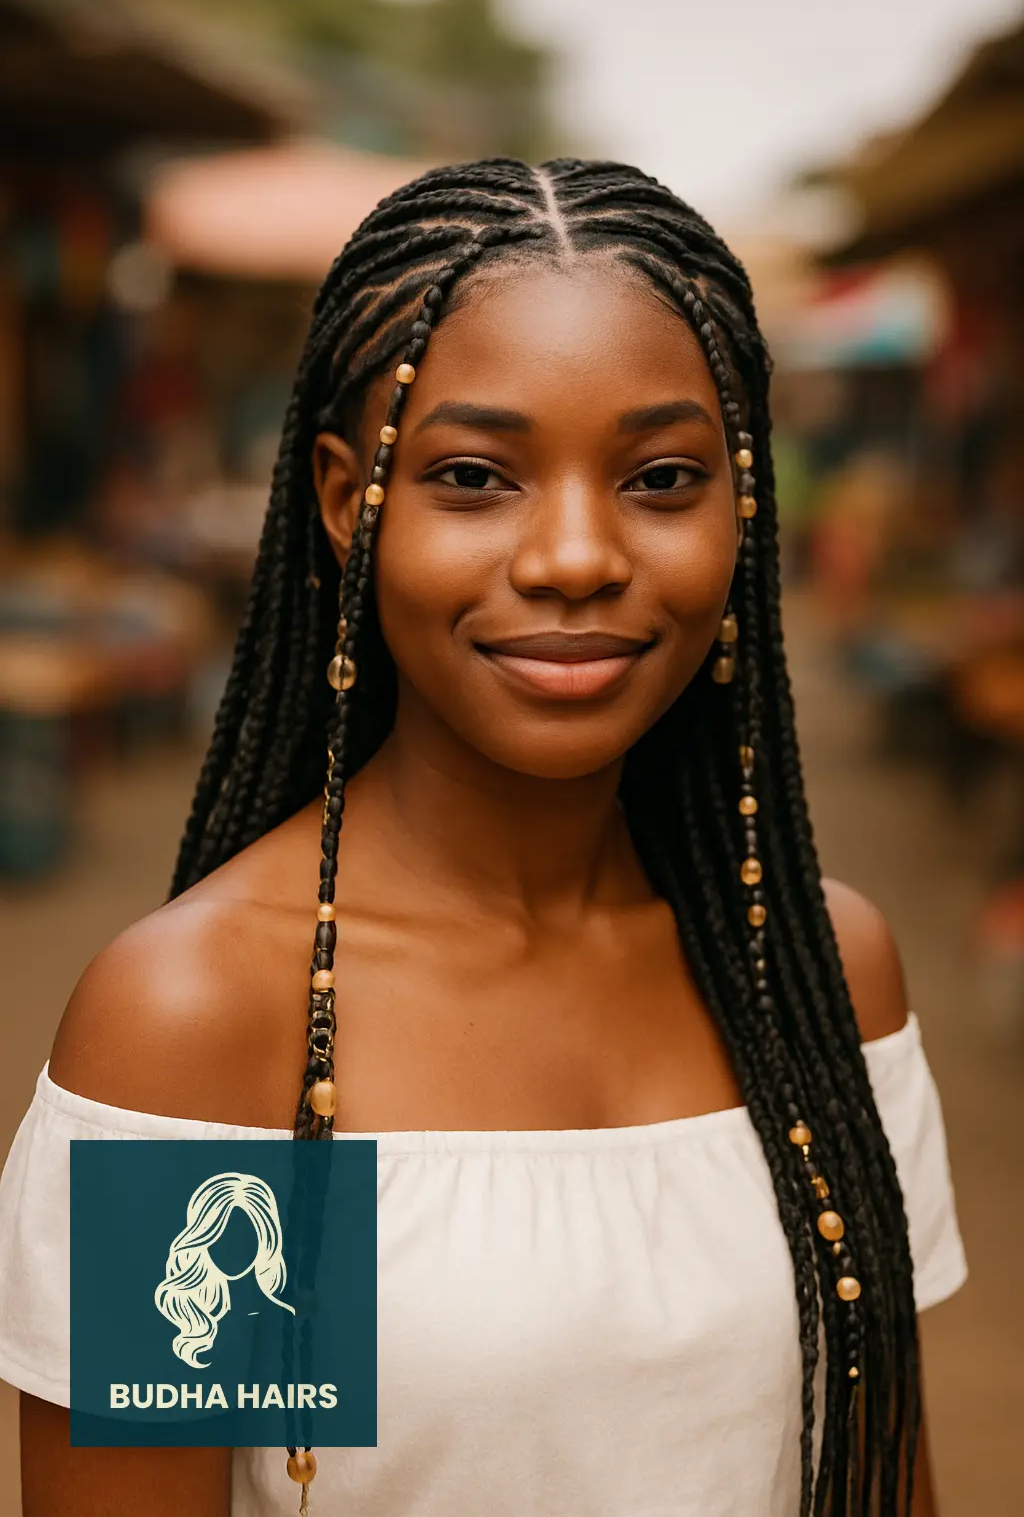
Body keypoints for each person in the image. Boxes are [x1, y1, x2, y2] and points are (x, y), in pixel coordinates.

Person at [0, 159, 966, 1517]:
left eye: (662, 476)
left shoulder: (813, 973)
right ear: (349, 506)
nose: (575, 554)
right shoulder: (222, 1021)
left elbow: (882, 1479)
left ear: (743, 504)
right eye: (474, 476)